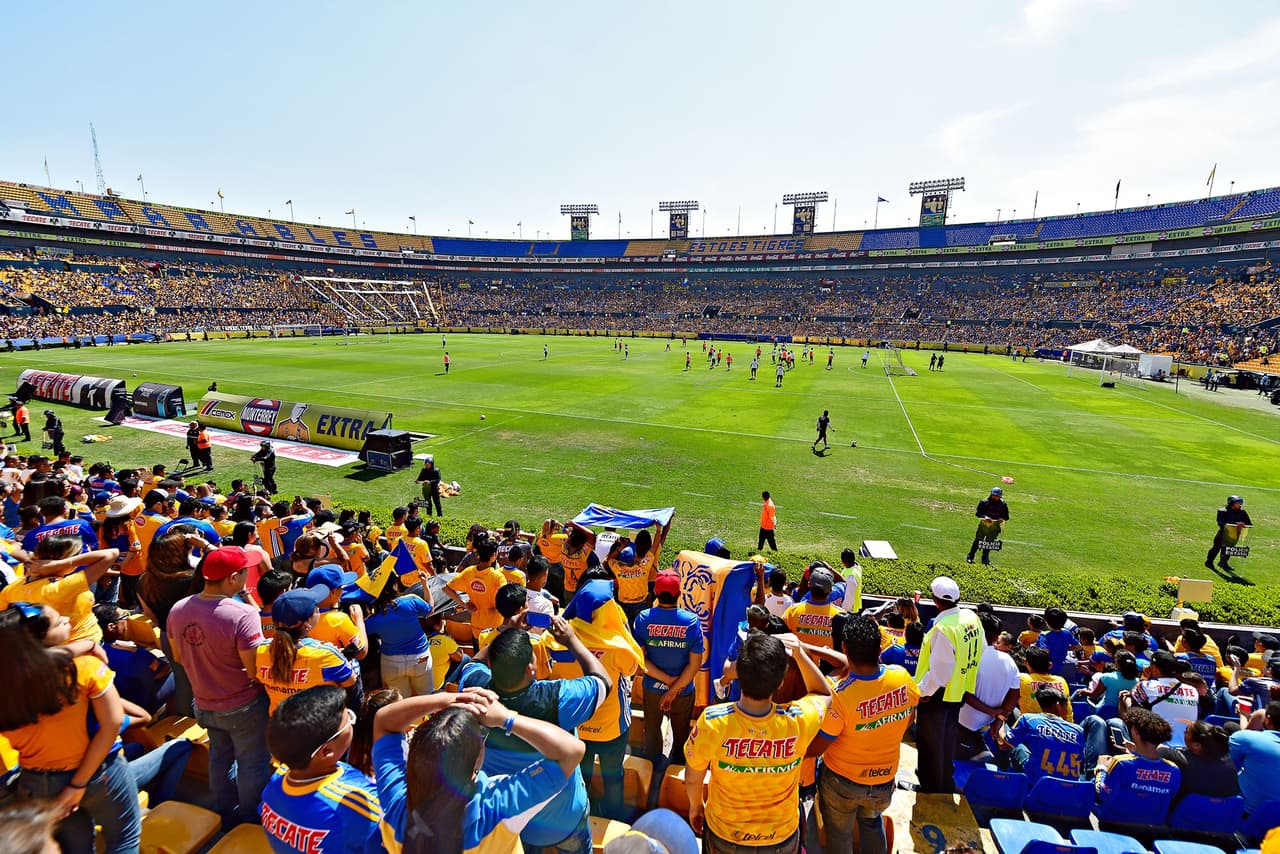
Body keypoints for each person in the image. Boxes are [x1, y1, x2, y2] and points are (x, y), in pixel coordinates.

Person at [372, 685, 585, 854]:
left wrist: (447, 699)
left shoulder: (395, 804)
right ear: (475, 763)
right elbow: (571, 751)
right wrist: (506, 718)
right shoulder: (495, 809)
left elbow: (383, 721)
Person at [0, 604, 142, 853]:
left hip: (36, 783)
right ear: (35, 641)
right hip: (99, 773)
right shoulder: (81, 668)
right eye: (57, 622)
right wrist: (77, 785)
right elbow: (114, 722)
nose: (66, 619)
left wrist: (85, 644)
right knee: (125, 840)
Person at [457, 622, 609, 854]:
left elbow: (475, 663)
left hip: (512, 821)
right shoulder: (560, 698)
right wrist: (571, 640)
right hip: (565, 818)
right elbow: (602, 681)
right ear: (531, 669)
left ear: (491, 665)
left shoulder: (475, 691)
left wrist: (502, 632)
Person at [685, 632, 832, 853]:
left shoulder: (713, 722)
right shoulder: (798, 719)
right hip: (781, 838)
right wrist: (799, 653)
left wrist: (696, 807)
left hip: (725, 834)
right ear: (780, 682)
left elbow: (694, 777)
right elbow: (823, 692)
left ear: (738, 675)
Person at [166, 545, 271, 827]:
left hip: (203, 702)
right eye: (245, 571)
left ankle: (224, 815)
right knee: (252, 764)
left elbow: (178, 657)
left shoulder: (178, 609)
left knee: (220, 759)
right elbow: (253, 669)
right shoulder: (243, 614)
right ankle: (250, 821)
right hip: (243, 704)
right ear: (233, 577)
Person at [810, 615, 920, 854]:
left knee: (840, 835)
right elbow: (909, 718)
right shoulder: (901, 677)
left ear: (844, 647)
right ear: (880, 646)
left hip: (842, 783)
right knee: (872, 823)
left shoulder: (839, 695)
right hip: (883, 782)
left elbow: (817, 748)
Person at [260, 685, 384, 854]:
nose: (351, 721)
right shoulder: (358, 803)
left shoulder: (278, 779)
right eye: (349, 719)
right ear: (326, 752)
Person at [914, 576, 983, 793]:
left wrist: (923, 692)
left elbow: (940, 672)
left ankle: (930, 786)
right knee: (945, 740)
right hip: (958, 690)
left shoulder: (942, 628)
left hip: (938, 694)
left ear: (935, 600)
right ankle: (944, 780)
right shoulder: (971, 617)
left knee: (929, 744)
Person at [634, 570, 704, 768]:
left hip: (653, 688)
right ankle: (677, 769)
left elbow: (641, 659)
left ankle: (649, 770)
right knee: (681, 734)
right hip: (683, 690)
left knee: (651, 732)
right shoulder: (690, 622)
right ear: (679, 593)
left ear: (655, 592)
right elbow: (695, 665)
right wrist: (673, 690)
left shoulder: (643, 618)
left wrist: (666, 682)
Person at [255, 586, 358, 713]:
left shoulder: (261, 650)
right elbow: (350, 682)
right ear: (307, 622)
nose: (319, 609)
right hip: (319, 723)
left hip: (280, 724)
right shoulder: (326, 654)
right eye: (316, 608)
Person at [1094, 708, 1180, 819]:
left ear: (1135, 731)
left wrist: (1101, 769)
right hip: (1152, 827)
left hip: (1114, 822)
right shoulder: (1174, 770)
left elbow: (1103, 794)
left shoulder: (1120, 763)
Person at [958, 614, 1021, 760]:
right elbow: (1014, 695)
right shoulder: (1009, 661)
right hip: (989, 722)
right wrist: (1000, 717)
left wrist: (994, 713)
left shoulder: (969, 656)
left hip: (965, 722)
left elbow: (963, 694)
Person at [365, 580, 436, 698]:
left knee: (401, 702)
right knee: (428, 697)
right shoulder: (411, 600)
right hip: (420, 658)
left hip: (391, 663)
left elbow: (362, 630)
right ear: (394, 585)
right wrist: (425, 585)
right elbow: (430, 609)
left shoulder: (373, 619)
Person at [1007, 687, 1085, 783]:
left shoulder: (1028, 719)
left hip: (1037, 786)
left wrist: (1000, 721)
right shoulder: (1078, 730)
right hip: (1070, 790)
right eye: (1066, 705)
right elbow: (1079, 759)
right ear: (1058, 706)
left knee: (1014, 740)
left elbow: (1004, 744)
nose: (1067, 709)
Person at [1159, 719, 1239, 800]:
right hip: (1221, 812)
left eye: (1186, 731)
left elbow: (1158, 749)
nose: (1183, 732)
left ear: (1197, 745)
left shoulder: (1180, 758)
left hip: (1184, 811)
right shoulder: (1228, 760)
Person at [1228, 700, 1280, 814]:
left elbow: (1224, 760)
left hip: (1247, 814)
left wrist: (1244, 715)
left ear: (1268, 719)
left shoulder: (1245, 738)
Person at [1206, 495, 1251, 572]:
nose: (1240, 504)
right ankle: (1209, 562)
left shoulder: (1242, 512)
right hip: (1222, 534)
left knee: (1228, 550)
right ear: (1232, 503)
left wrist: (1243, 523)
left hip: (1235, 535)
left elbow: (1249, 524)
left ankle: (1223, 563)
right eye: (1238, 503)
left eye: (1241, 503)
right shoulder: (1222, 511)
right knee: (1216, 548)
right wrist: (1237, 524)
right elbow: (1221, 523)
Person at [965, 486, 1009, 566]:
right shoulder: (984, 502)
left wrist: (1001, 519)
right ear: (991, 494)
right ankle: (970, 556)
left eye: (997, 496)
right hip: (984, 525)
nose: (995, 497)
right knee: (978, 540)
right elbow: (978, 514)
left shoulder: (1003, 505)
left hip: (994, 527)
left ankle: (985, 558)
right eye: (994, 495)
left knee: (989, 543)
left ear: (1000, 496)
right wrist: (985, 517)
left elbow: (1006, 517)